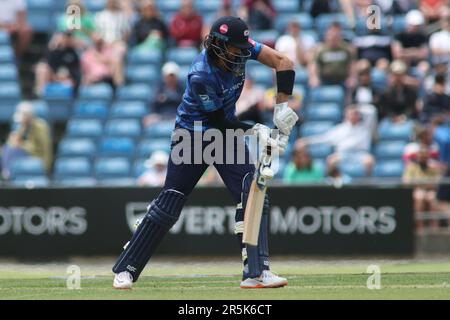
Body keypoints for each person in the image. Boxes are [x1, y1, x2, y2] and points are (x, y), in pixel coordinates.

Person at [112, 16, 299, 290]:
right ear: (219, 46)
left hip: (227, 134)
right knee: (170, 204)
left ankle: (256, 272)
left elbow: (284, 62)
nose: (242, 53)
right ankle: (126, 269)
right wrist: (256, 128)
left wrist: (281, 107)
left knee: (253, 194)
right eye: (236, 48)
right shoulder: (201, 73)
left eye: (243, 46)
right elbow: (218, 121)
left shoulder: (243, 48)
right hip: (194, 134)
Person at [297, 105, 376, 176]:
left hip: (360, 154)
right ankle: (328, 185)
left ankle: (368, 185)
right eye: (351, 113)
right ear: (346, 115)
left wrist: (357, 108)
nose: (353, 115)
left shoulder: (366, 127)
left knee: (369, 161)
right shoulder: (340, 129)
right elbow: (324, 138)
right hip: (343, 154)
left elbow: (372, 110)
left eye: (355, 113)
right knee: (331, 161)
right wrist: (306, 141)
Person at [403, 145, 444, 232]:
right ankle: (420, 229)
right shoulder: (411, 167)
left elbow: (437, 183)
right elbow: (406, 182)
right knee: (419, 196)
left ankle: (434, 229)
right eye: (421, 156)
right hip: (416, 192)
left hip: (430, 192)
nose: (423, 158)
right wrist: (424, 185)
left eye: (425, 156)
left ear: (428, 157)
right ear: (417, 157)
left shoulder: (433, 168)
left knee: (432, 197)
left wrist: (421, 184)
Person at [309, 22, 356, 88]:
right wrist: (314, 77)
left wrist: (352, 77)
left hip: (343, 80)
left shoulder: (346, 49)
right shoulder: (321, 50)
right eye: (331, 35)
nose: (333, 38)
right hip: (324, 80)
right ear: (327, 36)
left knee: (352, 84)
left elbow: (352, 64)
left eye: (336, 36)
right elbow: (314, 64)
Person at [35, 32, 81, 97]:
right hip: (53, 77)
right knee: (41, 68)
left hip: (67, 79)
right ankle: (42, 95)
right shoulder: (53, 51)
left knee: (69, 83)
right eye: (64, 37)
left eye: (69, 37)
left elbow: (75, 71)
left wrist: (67, 77)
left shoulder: (73, 53)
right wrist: (52, 47)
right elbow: (47, 62)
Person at [12, 102, 53, 173]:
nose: (20, 121)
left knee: (13, 151)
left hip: (39, 159)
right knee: (8, 149)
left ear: (29, 116)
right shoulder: (23, 126)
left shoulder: (41, 127)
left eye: (23, 118)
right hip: (27, 158)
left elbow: (39, 149)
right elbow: (13, 144)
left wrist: (22, 145)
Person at [143, 62, 184, 126]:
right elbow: (152, 102)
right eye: (169, 76)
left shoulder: (182, 88)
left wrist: (166, 98)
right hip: (160, 116)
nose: (171, 79)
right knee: (148, 120)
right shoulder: (158, 88)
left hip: (176, 116)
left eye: (173, 76)